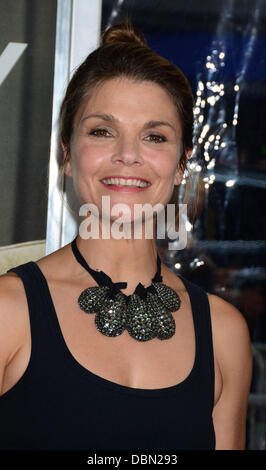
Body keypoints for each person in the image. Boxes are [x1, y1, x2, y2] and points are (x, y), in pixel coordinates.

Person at [0, 22, 252, 450]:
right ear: (66, 153)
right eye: (103, 130)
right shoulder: (8, 312)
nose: (128, 155)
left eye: (154, 136)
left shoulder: (224, 332)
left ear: (180, 165)